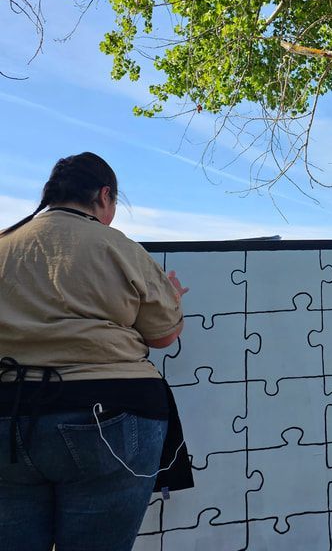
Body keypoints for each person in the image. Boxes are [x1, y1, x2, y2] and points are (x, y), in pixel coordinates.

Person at [0, 152, 193, 551]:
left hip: (8, 411)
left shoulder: (5, 245)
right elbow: (163, 336)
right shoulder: (119, 247)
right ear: (105, 195)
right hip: (111, 415)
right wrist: (172, 298)